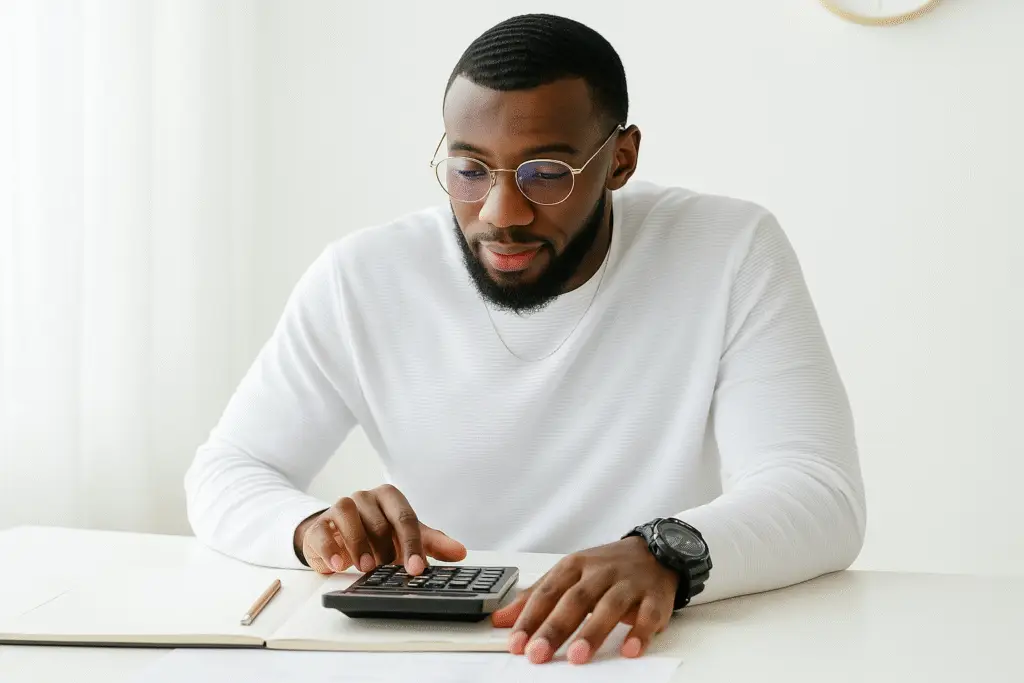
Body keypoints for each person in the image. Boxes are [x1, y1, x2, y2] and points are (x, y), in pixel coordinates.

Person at [184, 12, 866, 666]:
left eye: (547, 173)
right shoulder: (362, 277)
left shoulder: (727, 251)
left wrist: (662, 553)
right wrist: (312, 529)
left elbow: (819, 492)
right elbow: (227, 470)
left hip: (643, 647)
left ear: (620, 159)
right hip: (431, 654)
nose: (500, 213)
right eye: (469, 170)